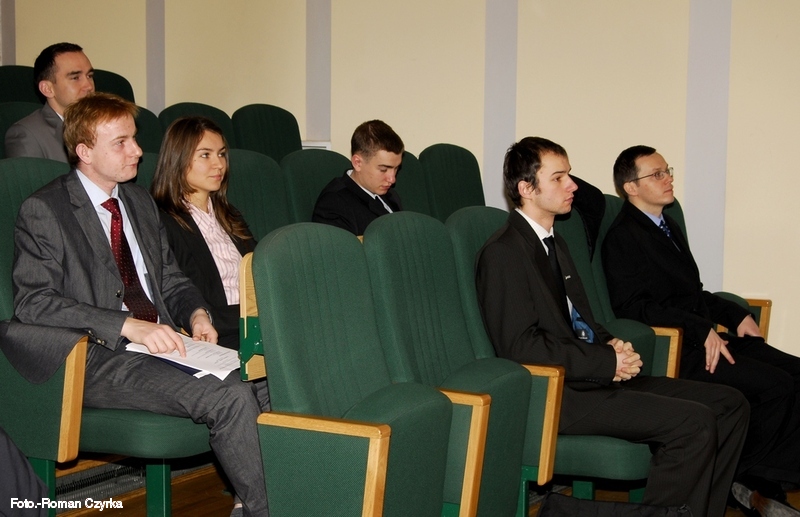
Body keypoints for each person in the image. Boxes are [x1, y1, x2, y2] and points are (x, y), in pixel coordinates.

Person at [5, 93, 269, 516]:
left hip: (161, 344)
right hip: (94, 354)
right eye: (121, 143)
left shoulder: (139, 202)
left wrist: (196, 314)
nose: (137, 151)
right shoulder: (46, 210)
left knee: (266, 380)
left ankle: (257, 501)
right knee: (232, 396)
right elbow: (34, 303)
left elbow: (170, 278)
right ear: (85, 152)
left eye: (134, 138)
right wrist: (126, 325)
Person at [475, 136, 749, 517]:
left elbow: (581, 321)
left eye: (569, 175)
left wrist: (613, 345)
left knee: (730, 405)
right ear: (526, 189)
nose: (572, 185)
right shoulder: (504, 252)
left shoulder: (555, 243)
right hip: (558, 396)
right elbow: (522, 346)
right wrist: (605, 362)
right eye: (558, 178)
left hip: (590, 378)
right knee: (694, 422)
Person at [603, 144, 800, 516]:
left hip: (705, 337)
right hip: (679, 348)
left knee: (796, 373)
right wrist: (698, 327)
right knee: (776, 386)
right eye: (657, 174)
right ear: (631, 187)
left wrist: (736, 314)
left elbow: (694, 294)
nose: (668, 178)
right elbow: (634, 307)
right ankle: (741, 479)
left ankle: (752, 478)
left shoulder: (668, 226)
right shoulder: (623, 236)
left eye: (667, 170)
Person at [151, 117, 255, 350]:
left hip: (252, 322)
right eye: (206, 155)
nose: (219, 164)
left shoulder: (229, 215)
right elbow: (181, 295)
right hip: (218, 333)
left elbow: (257, 268)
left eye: (221, 154)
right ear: (178, 159)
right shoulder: (162, 221)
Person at [5, 42, 95, 162]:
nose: (89, 86)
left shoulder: (106, 125)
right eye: (75, 78)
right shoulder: (27, 135)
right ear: (47, 89)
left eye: (89, 76)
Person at [312, 119, 403, 235]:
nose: (392, 179)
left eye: (396, 169)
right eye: (383, 170)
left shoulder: (390, 195)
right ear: (358, 163)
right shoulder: (334, 203)